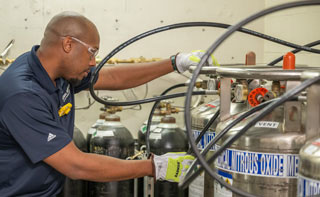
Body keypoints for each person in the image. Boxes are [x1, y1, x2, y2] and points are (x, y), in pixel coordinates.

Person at [0, 11, 218, 196]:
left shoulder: (53, 70)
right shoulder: (23, 95)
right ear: (68, 44)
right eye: (92, 51)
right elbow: (76, 165)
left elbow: (113, 77)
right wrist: (155, 166)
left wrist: (176, 62)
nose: (93, 61)